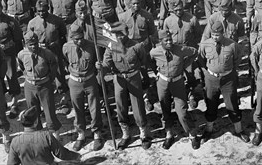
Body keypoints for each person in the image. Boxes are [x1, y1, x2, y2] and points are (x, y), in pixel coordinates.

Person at [102, 21, 151, 149]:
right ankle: (125, 134)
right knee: (120, 106)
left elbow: (143, 61)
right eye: (117, 35)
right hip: (119, 79)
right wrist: (101, 67)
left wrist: (141, 76)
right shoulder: (111, 47)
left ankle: (143, 134)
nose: (120, 37)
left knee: (138, 106)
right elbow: (106, 64)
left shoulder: (137, 46)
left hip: (134, 77)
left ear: (127, 33)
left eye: (122, 35)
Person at [198, 20, 249, 143]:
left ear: (223, 33)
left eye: (217, 35)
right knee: (211, 103)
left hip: (228, 80)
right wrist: (207, 72)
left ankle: (238, 130)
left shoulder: (232, 45)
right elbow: (201, 60)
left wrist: (230, 71)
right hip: (211, 79)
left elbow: (238, 59)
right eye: (213, 35)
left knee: (232, 104)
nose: (215, 37)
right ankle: (209, 130)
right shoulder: (205, 45)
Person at [150, 29, 200, 149]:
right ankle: (169, 134)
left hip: (178, 83)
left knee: (182, 111)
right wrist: (156, 71)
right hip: (162, 83)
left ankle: (192, 134)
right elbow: (150, 61)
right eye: (166, 40)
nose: (169, 42)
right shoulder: (154, 52)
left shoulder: (181, 49)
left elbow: (195, 52)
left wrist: (185, 64)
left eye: (170, 39)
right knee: (165, 109)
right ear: (160, 41)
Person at [62, 26, 104, 151]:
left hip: (90, 80)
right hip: (74, 82)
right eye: (76, 39)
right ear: (71, 38)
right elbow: (65, 61)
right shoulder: (66, 47)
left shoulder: (92, 46)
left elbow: (98, 60)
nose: (79, 41)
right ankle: (81, 134)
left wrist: (98, 65)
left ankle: (97, 133)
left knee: (95, 108)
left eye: (81, 38)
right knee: (77, 109)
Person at [17, 30, 61, 138]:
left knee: (49, 110)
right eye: (30, 44)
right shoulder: (21, 55)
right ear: (25, 44)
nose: (33, 46)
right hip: (30, 86)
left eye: (35, 43)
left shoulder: (46, 53)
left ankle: (54, 133)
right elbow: (22, 67)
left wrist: (50, 79)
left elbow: (54, 66)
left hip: (44, 85)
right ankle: (37, 132)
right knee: (32, 110)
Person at [7, 106, 80, 165]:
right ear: (36, 122)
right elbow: (62, 154)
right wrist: (77, 156)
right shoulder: (46, 136)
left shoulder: (15, 141)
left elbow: (11, 163)